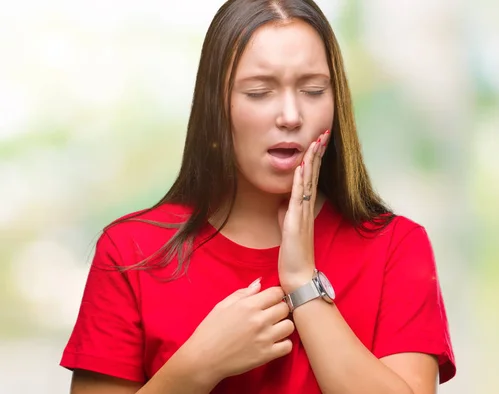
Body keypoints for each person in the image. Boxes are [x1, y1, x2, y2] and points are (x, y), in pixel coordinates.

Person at [60, 0, 456, 393]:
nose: (290, 115)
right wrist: (199, 365)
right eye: (260, 92)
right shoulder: (131, 252)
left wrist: (303, 284)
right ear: (215, 105)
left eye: (313, 90)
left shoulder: (395, 247)